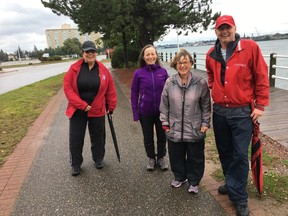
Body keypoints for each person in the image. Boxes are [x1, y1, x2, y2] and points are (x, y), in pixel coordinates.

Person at [205, 15, 270, 216]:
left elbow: (261, 75)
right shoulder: (211, 53)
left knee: (240, 155)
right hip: (220, 112)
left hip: (242, 112)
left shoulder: (250, 48)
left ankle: (239, 197)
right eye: (220, 29)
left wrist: (260, 105)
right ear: (216, 31)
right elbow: (209, 74)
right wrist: (213, 86)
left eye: (228, 28)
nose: (225, 32)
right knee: (224, 152)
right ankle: (230, 182)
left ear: (234, 28)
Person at [160, 49, 211, 194]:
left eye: (186, 62)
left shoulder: (200, 82)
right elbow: (164, 105)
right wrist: (165, 123)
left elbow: (206, 105)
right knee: (176, 155)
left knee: (196, 157)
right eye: (180, 62)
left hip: (194, 127)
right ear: (175, 64)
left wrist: (205, 123)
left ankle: (194, 181)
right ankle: (179, 176)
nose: (183, 65)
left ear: (191, 63)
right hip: (174, 127)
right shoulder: (170, 82)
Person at [63, 40, 117, 176]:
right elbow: (68, 88)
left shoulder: (103, 70)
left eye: (92, 51)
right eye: (87, 51)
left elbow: (110, 89)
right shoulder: (74, 69)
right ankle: (76, 164)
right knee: (76, 138)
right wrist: (81, 105)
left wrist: (111, 107)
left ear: (96, 53)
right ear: (83, 53)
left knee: (98, 137)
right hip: (78, 110)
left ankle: (98, 159)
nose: (90, 54)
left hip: (97, 109)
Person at [131, 44, 169, 171]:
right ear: (143, 57)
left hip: (162, 111)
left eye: (153, 54)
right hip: (145, 111)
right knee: (148, 136)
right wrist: (135, 113)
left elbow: (169, 91)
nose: (150, 56)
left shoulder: (163, 72)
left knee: (162, 136)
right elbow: (134, 93)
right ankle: (151, 158)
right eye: (148, 54)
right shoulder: (138, 73)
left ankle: (161, 158)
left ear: (156, 56)